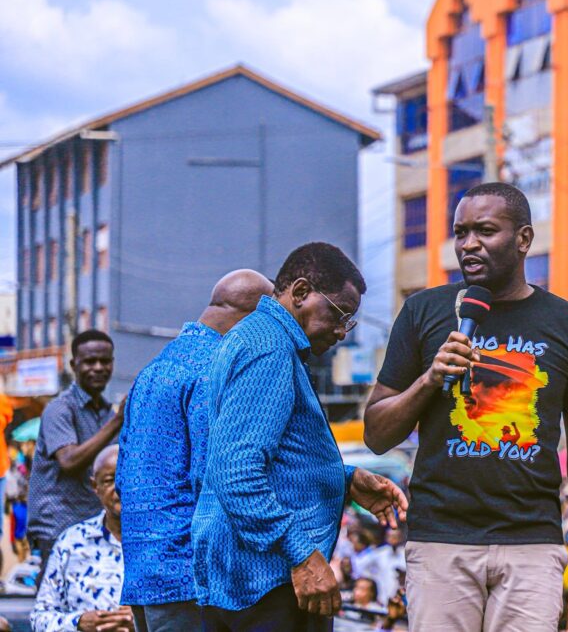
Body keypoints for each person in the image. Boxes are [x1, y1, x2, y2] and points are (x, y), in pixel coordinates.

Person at [364, 182, 568, 632]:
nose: (468, 244)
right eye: (460, 232)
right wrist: (430, 378)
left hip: (532, 543)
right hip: (440, 540)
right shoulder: (423, 311)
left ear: (524, 239)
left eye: (485, 230)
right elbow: (377, 434)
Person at [191, 242, 408, 631]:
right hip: (266, 584)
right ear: (302, 292)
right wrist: (303, 556)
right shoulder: (268, 348)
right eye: (339, 314)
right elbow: (237, 472)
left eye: (349, 322)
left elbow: (269, 461)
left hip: (247, 579)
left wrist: (344, 479)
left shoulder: (257, 338)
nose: (341, 331)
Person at [117, 270, 273, 631]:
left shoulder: (154, 367)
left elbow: (123, 473)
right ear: (251, 320)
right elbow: (213, 475)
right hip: (188, 576)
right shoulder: (215, 367)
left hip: (143, 570)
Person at [28, 329, 122, 576]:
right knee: (55, 597)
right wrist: (117, 422)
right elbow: (69, 461)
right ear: (74, 365)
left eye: (105, 361)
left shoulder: (107, 413)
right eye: (90, 361)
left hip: (91, 526)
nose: (98, 368)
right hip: (56, 528)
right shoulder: (59, 409)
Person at [31, 446, 134, 632]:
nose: (119, 488)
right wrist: (79, 623)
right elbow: (40, 617)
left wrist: (144, 621)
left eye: (128, 478)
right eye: (110, 480)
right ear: (95, 486)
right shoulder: (71, 542)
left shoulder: (164, 541)